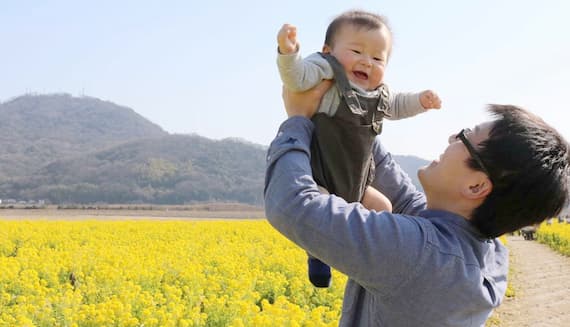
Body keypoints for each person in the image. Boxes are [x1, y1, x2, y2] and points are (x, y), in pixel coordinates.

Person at [264, 81, 570, 326]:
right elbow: (402, 195)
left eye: (464, 137)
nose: (451, 138)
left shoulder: (421, 256)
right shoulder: (486, 252)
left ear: (476, 185)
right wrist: (351, 109)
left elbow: (292, 205)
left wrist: (298, 120)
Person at [276, 10, 441, 288]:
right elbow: (296, 79)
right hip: (321, 175)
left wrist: (420, 102)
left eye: (378, 58)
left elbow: (397, 106)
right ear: (328, 51)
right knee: (320, 213)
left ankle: (370, 256)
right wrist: (288, 53)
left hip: (357, 181)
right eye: (356, 51)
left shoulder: (377, 95)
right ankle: (318, 257)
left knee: (383, 206)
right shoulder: (325, 71)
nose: (367, 61)